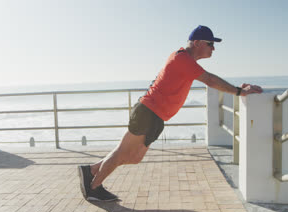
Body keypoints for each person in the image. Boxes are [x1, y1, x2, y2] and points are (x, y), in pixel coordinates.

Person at [78, 25, 263, 201]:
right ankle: (94, 188)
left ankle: (91, 171)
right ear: (197, 42)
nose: (213, 48)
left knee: (134, 157)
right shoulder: (182, 58)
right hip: (148, 112)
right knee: (121, 153)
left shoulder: (186, 61)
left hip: (155, 116)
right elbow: (210, 80)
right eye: (210, 44)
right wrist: (240, 91)